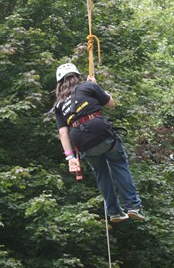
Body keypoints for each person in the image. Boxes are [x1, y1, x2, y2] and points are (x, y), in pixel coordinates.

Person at [53, 62, 144, 223]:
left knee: (101, 173)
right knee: (119, 164)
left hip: (80, 139)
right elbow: (111, 104)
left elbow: (62, 132)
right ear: (77, 76)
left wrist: (70, 158)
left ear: (60, 83)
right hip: (99, 129)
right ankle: (132, 206)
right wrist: (96, 86)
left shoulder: (59, 105)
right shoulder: (88, 86)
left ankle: (114, 212)